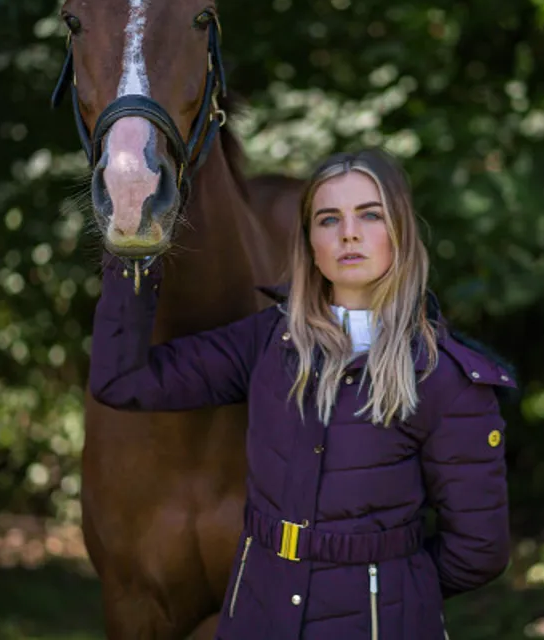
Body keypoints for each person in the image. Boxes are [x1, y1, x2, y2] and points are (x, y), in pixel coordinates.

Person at [89, 148, 517, 640]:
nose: (348, 233)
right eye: (328, 218)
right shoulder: (266, 342)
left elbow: (479, 551)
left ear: (400, 230)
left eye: (370, 215)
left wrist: (390, 589)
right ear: (310, 241)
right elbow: (123, 382)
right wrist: (132, 250)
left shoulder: (446, 378)